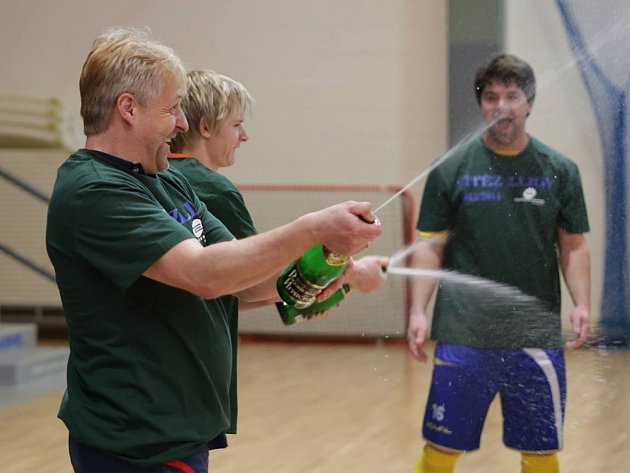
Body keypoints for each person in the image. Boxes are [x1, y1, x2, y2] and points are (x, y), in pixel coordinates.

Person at [45, 26, 381, 473]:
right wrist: (312, 229)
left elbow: (242, 282)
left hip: (179, 431)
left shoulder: (169, 178)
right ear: (128, 108)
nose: (182, 124)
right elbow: (204, 275)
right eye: (172, 108)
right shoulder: (94, 190)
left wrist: (321, 269)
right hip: (135, 440)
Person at [167, 69, 389, 434]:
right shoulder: (213, 190)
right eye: (236, 124)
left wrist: (339, 278)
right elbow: (259, 285)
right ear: (205, 127)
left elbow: (230, 293)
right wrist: (342, 268)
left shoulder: (159, 180)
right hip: (190, 382)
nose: (245, 136)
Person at [406, 53, 591, 473]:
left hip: (535, 334)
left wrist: (581, 304)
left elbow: (573, 246)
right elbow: (429, 246)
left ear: (529, 103)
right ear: (481, 104)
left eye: (512, 95)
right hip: (463, 332)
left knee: (541, 452)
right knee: (440, 448)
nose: (501, 106)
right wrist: (418, 310)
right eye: (491, 97)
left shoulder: (560, 170)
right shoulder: (451, 167)